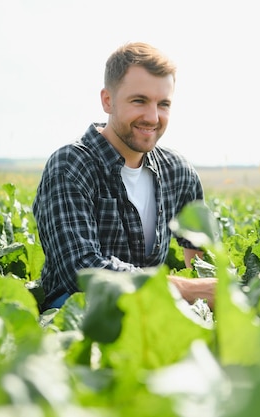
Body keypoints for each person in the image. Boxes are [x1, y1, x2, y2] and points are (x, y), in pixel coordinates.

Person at [32, 42, 217, 312]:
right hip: (76, 316)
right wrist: (185, 289)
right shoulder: (70, 165)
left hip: (152, 312)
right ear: (108, 100)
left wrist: (205, 297)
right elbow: (81, 272)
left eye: (163, 104)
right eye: (139, 101)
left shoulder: (178, 172)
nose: (153, 117)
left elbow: (200, 257)